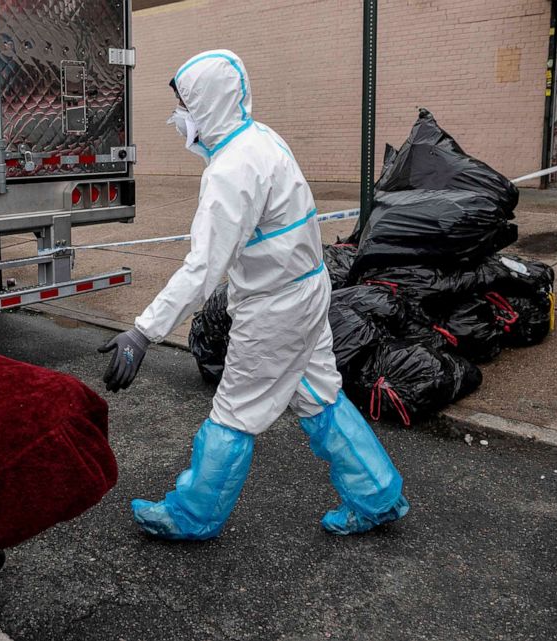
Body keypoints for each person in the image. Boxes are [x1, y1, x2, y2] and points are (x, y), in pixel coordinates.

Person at [99, 51, 409, 540]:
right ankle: (377, 495)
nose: (180, 116)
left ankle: (192, 515)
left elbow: (204, 267)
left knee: (234, 412)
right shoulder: (261, 138)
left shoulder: (231, 171)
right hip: (306, 292)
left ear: (207, 105)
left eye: (185, 104)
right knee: (318, 395)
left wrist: (144, 331)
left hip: (274, 307)